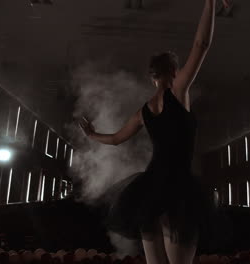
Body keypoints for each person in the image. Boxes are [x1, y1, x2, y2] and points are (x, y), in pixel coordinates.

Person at [78, 0, 230, 263]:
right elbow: (201, 45)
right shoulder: (179, 92)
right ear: (174, 72)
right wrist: (209, 3)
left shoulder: (144, 111)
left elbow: (115, 140)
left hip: (150, 187)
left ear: (152, 77)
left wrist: (92, 135)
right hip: (179, 186)